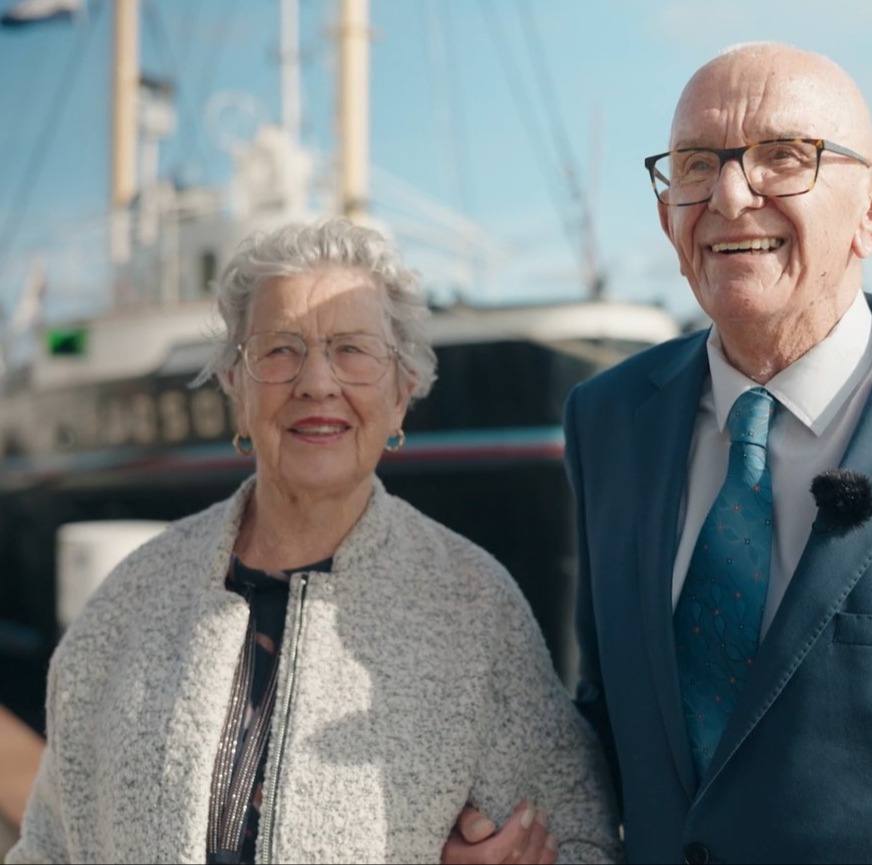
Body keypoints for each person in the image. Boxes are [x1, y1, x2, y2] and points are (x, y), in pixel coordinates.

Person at [448, 41, 872, 864]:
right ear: (667, 210)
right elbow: (615, 712)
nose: (730, 195)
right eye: (696, 164)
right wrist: (518, 832)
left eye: (781, 156)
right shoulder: (609, 419)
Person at [8, 217, 621, 864]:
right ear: (235, 390)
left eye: (352, 349)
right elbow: (49, 845)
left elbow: (583, 836)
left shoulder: (474, 608)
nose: (316, 382)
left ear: (401, 392)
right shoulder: (129, 600)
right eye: (279, 349)